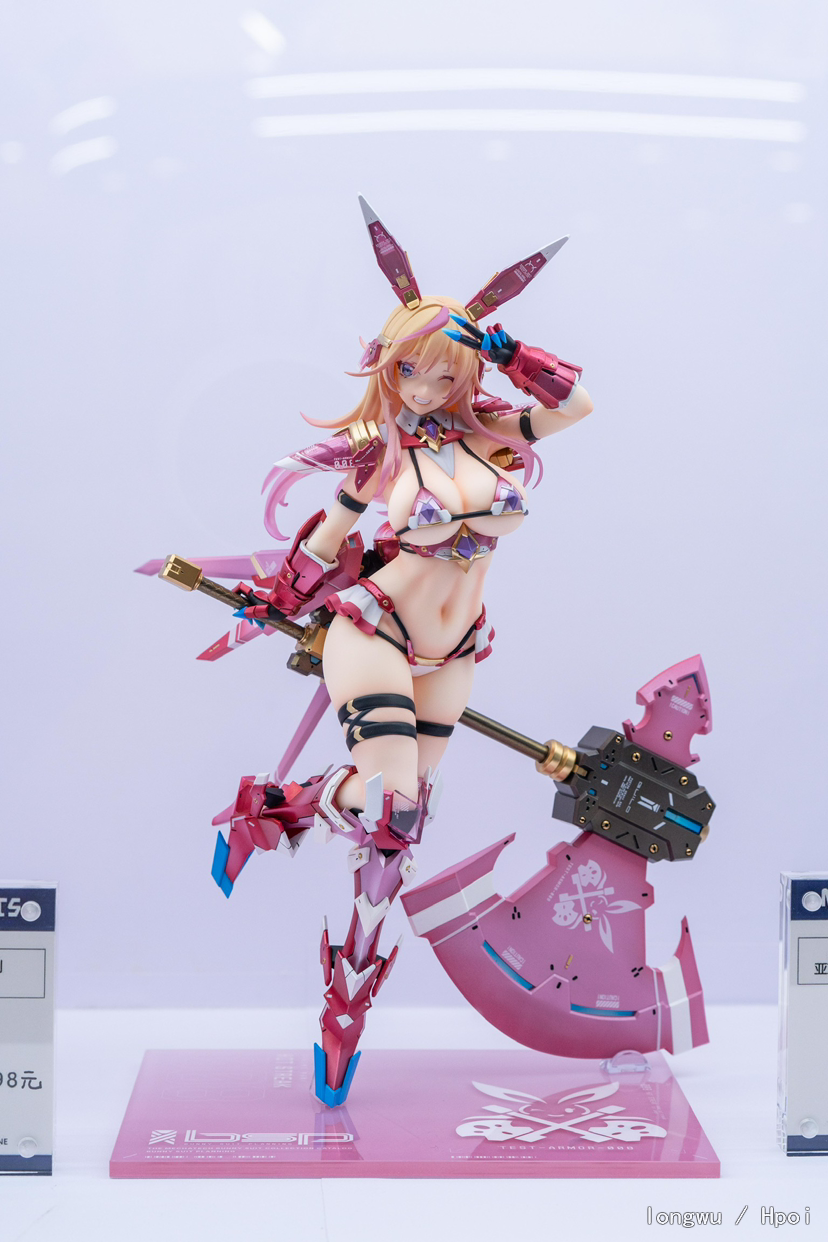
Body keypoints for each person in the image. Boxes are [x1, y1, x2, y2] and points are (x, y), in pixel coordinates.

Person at [213, 199, 592, 1106]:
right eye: (408, 370)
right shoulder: (374, 451)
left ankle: (280, 807)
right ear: (388, 365)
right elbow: (326, 539)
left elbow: (577, 406)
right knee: (393, 802)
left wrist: (512, 354)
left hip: (456, 649)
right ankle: (343, 1008)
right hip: (375, 629)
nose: (422, 388)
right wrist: (287, 588)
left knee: (399, 832)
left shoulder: (492, 433)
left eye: (443, 372)